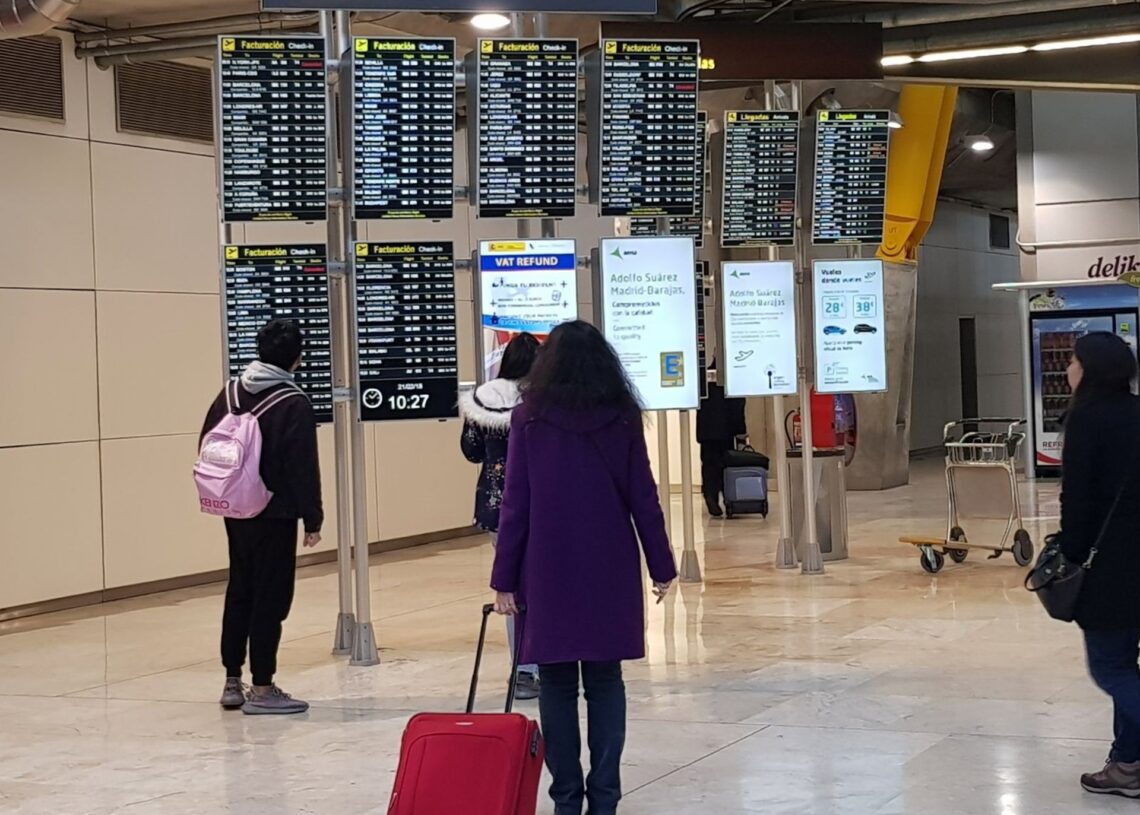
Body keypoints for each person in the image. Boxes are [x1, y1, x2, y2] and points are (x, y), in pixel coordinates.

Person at [491, 320, 677, 815]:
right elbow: (644, 496)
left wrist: (504, 579)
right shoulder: (621, 416)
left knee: (554, 681)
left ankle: (566, 799)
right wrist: (661, 563)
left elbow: (516, 505)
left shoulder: (529, 418)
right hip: (609, 562)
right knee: (605, 679)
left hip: (547, 565)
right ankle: (606, 799)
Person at [199, 319, 323, 716]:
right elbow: (302, 466)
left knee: (240, 586)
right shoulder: (293, 402)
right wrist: (312, 517)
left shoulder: (230, 392)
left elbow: (208, 441)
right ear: (296, 358)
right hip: (275, 511)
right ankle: (264, 686)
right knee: (271, 595)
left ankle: (232, 679)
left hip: (233, 507)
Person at [1056, 332, 1140, 797]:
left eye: (1073, 360)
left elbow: (1079, 500)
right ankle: (1127, 764)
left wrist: (1070, 555)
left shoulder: (1086, 419)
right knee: (1128, 667)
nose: (1068, 368)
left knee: (1110, 667)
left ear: (1089, 369)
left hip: (1109, 567)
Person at [460, 332, 541, 700]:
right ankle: (545, 660)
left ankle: (521, 669)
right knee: (543, 582)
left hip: (496, 504)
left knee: (510, 583)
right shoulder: (543, 399)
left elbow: (471, 451)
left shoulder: (485, 397)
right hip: (542, 500)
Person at [696, 359, 747, 517]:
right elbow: (737, 405)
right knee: (726, 464)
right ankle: (728, 498)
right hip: (726, 429)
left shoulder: (702, 376)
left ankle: (710, 495)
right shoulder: (731, 376)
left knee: (709, 464)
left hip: (706, 430)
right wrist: (741, 431)